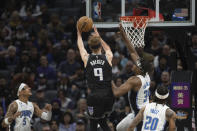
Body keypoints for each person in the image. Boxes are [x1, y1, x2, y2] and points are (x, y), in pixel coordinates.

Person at [112, 24, 152, 131]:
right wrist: (124, 35)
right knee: (119, 128)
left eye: (136, 64)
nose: (133, 64)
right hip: (141, 111)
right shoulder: (146, 74)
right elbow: (132, 51)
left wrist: (108, 77)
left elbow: (116, 92)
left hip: (140, 116)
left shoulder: (134, 81)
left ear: (140, 68)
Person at [77, 25, 114, 131]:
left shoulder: (86, 58)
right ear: (100, 47)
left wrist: (79, 33)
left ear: (90, 47)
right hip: (108, 96)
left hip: (94, 96)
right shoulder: (108, 57)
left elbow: (80, 46)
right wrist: (99, 36)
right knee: (103, 122)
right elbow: (108, 48)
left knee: (93, 123)